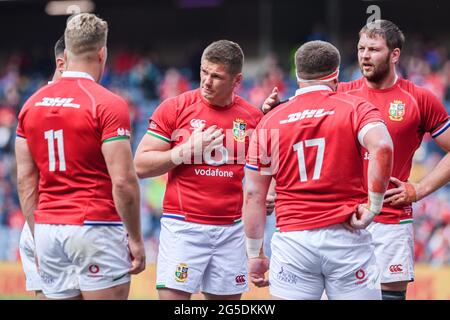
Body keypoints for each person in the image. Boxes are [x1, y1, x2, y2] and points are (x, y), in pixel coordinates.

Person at [261, 20, 450, 300]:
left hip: (390, 222)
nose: (364, 55)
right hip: (342, 222)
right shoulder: (340, 92)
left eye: (373, 49)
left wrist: (418, 189)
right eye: (361, 48)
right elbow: (296, 133)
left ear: (394, 54)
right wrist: (273, 110)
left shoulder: (418, 99)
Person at [244, 40, 394, 300]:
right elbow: (382, 146)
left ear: (297, 75)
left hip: (294, 241)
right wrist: (373, 206)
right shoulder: (356, 108)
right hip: (346, 236)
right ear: (336, 75)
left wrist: (255, 254)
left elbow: (254, 195)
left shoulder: (270, 121)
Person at [15, 13, 145, 300]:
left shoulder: (30, 104)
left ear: (66, 54)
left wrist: (38, 237)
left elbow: (25, 180)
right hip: (95, 226)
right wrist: (135, 238)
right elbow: (123, 181)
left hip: (48, 228)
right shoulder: (108, 103)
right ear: (102, 53)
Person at [134, 40, 263, 300]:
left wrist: (267, 196)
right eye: (204, 72)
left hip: (230, 229)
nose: (206, 81)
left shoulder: (252, 117)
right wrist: (186, 151)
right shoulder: (175, 108)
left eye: (216, 76)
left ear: (236, 81)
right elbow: (141, 165)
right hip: (183, 227)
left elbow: (263, 174)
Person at [18, 35, 66, 299]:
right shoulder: (38, 107)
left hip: (44, 225)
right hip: (52, 222)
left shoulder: (32, 104)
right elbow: (26, 179)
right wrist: (40, 239)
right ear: (62, 62)